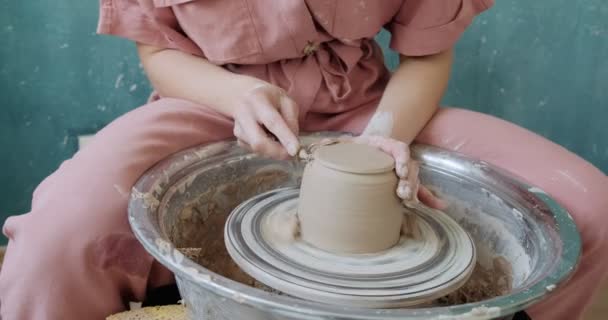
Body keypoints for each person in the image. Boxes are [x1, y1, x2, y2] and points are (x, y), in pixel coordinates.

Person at [1, 0, 607, 319]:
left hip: (369, 108)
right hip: (216, 103)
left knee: (586, 211)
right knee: (57, 240)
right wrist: (238, 97)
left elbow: (428, 55)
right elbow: (158, 51)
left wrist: (385, 135)